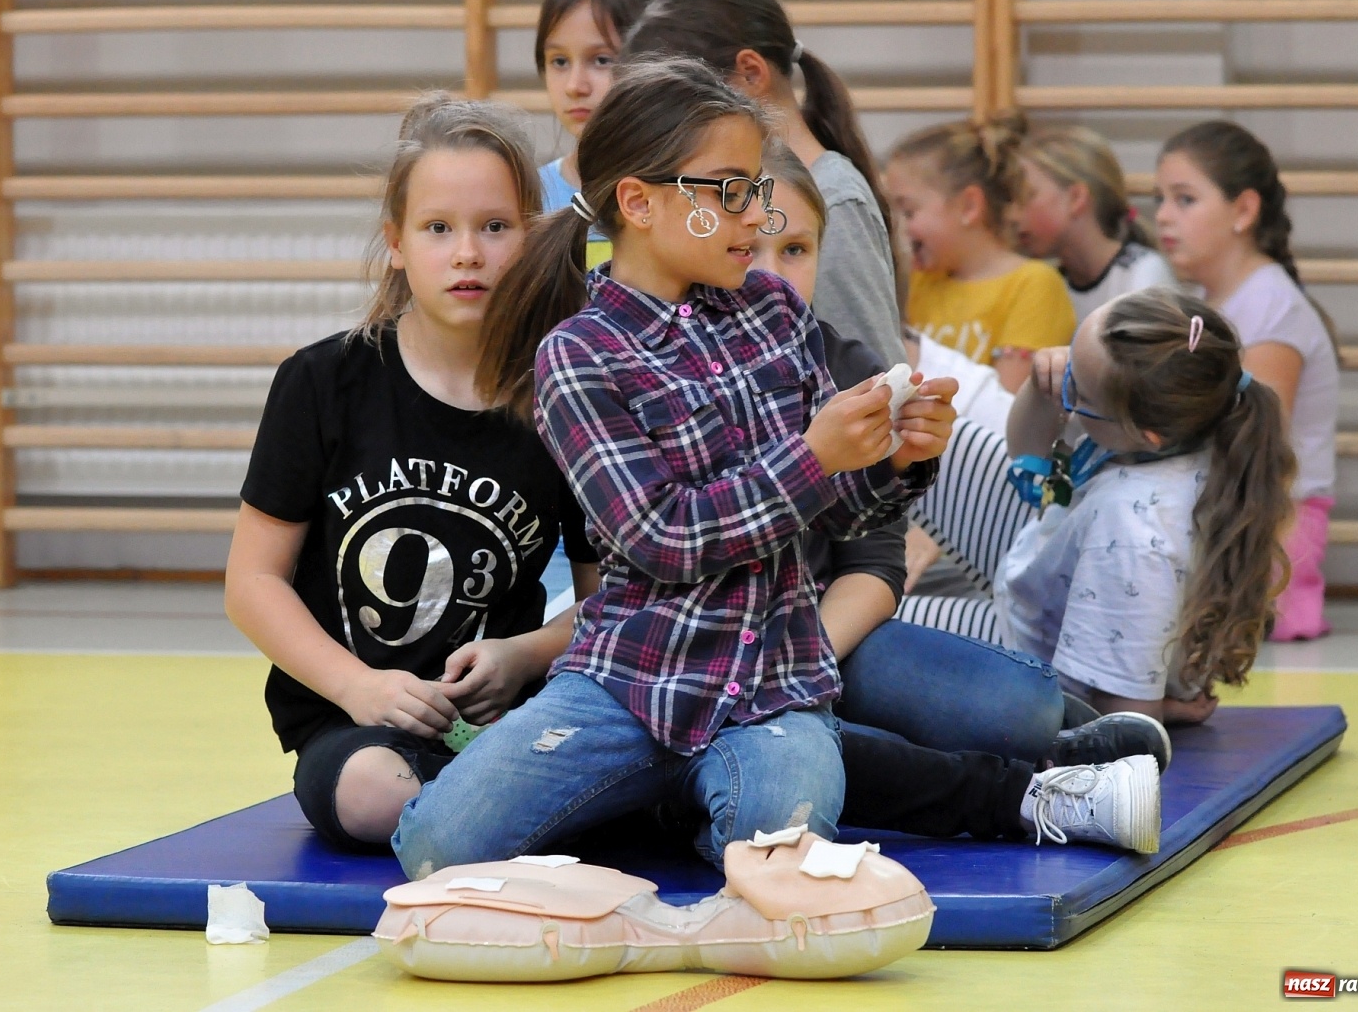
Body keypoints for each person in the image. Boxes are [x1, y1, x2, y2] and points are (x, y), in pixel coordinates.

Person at [392, 58, 959, 879]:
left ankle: (666, 801)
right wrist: (814, 454)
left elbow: (843, 516)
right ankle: (651, 793)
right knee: (436, 845)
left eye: (755, 187)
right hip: (624, 683)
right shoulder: (581, 353)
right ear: (638, 201)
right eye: (728, 190)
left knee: (780, 854)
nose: (755, 212)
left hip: (772, 687)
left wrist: (900, 458)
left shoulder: (778, 313)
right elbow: (662, 536)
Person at [222, 95, 600, 853]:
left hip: (513, 724)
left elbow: (610, 601)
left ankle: (485, 815)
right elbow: (251, 583)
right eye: (438, 228)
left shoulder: (565, 390)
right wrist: (358, 686)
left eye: (495, 227)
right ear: (395, 242)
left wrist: (522, 653)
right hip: (357, 728)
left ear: (530, 235)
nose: (467, 253)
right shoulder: (323, 382)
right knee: (369, 795)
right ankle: (483, 821)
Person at [756, 144, 1169, 777]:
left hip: (822, 632)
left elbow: (873, 560)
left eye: (796, 250)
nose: (774, 274)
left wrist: (800, 667)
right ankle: (1028, 774)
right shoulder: (670, 367)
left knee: (1019, 705)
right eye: (750, 248)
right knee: (803, 761)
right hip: (709, 652)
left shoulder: (849, 368)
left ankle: (1045, 734)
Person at [889, 286, 1296, 726]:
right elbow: (1026, 455)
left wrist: (1161, 710)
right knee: (912, 425)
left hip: (1031, 652)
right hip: (1047, 559)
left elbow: (1122, 719)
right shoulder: (1189, 418)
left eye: (1075, 389)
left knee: (866, 630)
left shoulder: (1134, 535)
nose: (1063, 380)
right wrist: (1042, 390)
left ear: (1145, 434)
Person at [620, 0, 906, 368]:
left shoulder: (835, 197)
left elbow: (879, 384)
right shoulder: (707, 202)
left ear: (751, 73)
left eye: (688, 101)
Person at [1155, 121, 1340, 641]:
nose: (1164, 216)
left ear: (1243, 210)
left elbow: (1261, 454)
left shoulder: (1270, 308)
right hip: (1228, 512)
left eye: (1185, 199)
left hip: (1274, 527)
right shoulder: (1213, 304)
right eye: (1160, 199)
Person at [886, 115, 1077, 392]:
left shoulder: (1033, 285)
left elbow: (1006, 406)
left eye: (909, 211)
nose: (897, 226)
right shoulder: (917, 282)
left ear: (969, 206)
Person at [533, 0, 660, 269]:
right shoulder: (530, 195)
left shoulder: (685, 193)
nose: (576, 86)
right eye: (559, 61)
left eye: (601, 60)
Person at [1015, 122, 1177, 324]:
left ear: (1076, 198)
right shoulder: (1049, 285)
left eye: (1028, 195)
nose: (1013, 214)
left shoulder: (1143, 272)